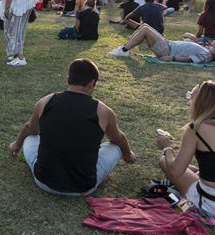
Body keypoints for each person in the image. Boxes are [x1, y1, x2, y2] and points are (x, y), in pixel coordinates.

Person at [8, 58, 137, 196]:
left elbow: (30, 128)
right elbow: (119, 139)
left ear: (68, 78)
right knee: (115, 146)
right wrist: (128, 155)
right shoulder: (103, 111)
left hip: (44, 181)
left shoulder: (46, 101)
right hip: (83, 187)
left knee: (30, 137)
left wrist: (16, 144)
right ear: (92, 83)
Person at [155, 80, 215, 217]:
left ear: (201, 102)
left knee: (165, 161)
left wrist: (167, 148)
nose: (188, 101)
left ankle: (185, 199)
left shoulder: (196, 129)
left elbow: (176, 172)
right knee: (198, 170)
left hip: (211, 204)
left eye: (191, 96)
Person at [109, 23, 214, 64]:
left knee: (145, 29)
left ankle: (124, 50)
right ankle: (125, 48)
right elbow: (193, 39)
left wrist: (172, 59)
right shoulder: (205, 49)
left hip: (167, 50)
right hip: (167, 45)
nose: (212, 44)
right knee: (144, 25)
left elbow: (191, 60)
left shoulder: (207, 54)